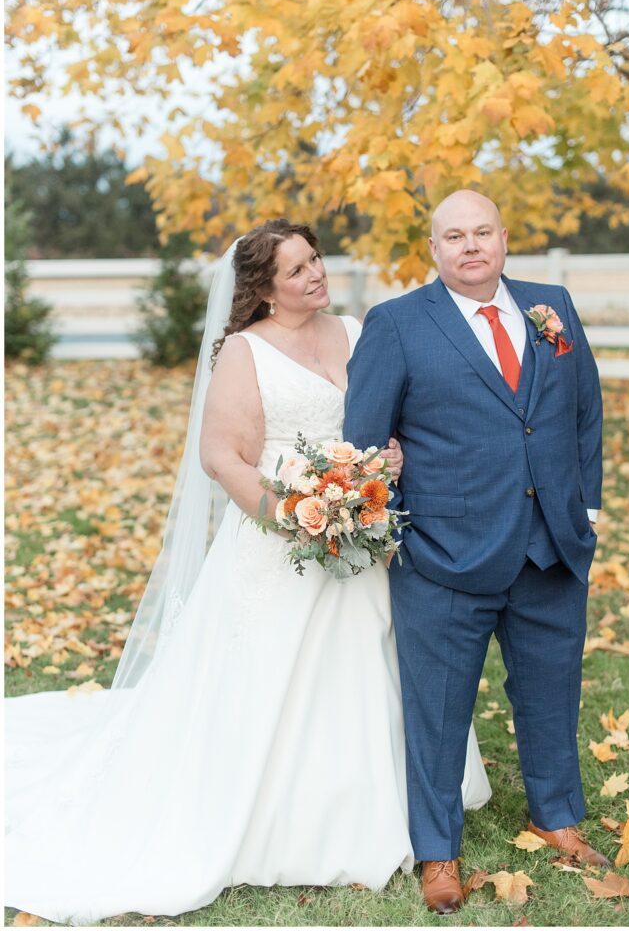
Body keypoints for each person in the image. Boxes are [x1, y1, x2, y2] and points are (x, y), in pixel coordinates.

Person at [5, 218, 491, 925]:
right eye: (296, 270)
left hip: (364, 540)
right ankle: (280, 818)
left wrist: (385, 462)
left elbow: (393, 418)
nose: (315, 275)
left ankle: (397, 807)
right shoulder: (244, 352)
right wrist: (295, 516)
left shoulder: (358, 330)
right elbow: (223, 457)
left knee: (384, 666)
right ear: (262, 290)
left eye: (316, 260)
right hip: (279, 546)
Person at [343, 190, 608, 914]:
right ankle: (437, 852)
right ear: (433, 248)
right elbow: (364, 443)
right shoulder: (396, 325)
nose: (469, 246)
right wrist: (398, 531)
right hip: (443, 555)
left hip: (551, 544)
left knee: (550, 694)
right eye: (452, 235)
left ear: (501, 236)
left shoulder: (548, 306)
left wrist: (584, 507)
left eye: (481, 232)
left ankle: (554, 816)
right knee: (437, 710)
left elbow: (583, 408)